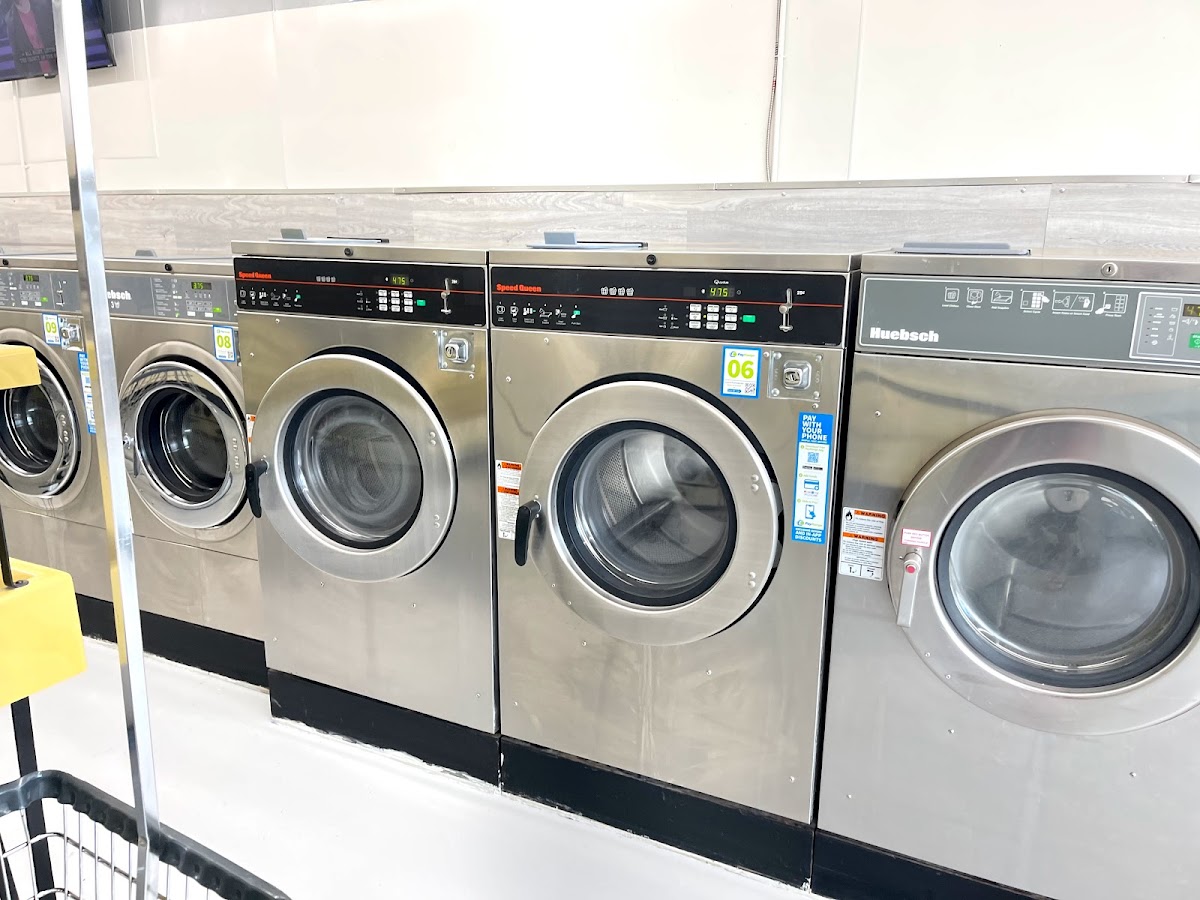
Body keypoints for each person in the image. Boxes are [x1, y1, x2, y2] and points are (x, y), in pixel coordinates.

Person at [3, 0, 56, 79]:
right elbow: (17, 56)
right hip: (37, 78)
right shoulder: (10, 21)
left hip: (60, 69)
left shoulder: (45, 4)